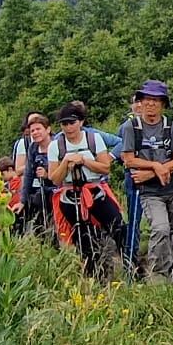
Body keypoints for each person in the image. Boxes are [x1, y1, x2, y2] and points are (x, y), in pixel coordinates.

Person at [118, 81, 173, 283]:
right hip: (150, 193)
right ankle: (157, 277)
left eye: (155, 101)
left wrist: (153, 171)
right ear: (140, 103)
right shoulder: (131, 127)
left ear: (163, 104)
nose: (150, 105)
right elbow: (128, 158)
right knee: (160, 228)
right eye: (147, 100)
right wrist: (157, 166)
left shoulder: (171, 127)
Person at [48, 102, 124, 280]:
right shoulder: (56, 146)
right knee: (82, 236)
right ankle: (94, 274)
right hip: (70, 194)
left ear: (81, 122)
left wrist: (83, 160)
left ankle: (130, 266)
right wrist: (66, 162)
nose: (68, 127)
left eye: (72, 122)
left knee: (117, 226)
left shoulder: (93, 139)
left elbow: (105, 168)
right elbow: (54, 178)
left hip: (95, 189)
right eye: (64, 124)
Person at [11, 113, 53, 237]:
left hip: (56, 188)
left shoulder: (58, 145)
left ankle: (48, 238)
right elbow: (28, 174)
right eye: (32, 131)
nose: (35, 133)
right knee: (19, 212)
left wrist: (47, 174)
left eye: (38, 129)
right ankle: (17, 242)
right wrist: (22, 201)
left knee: (40, 200)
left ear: (48, 129)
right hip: (39, 189)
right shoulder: (33, 148)